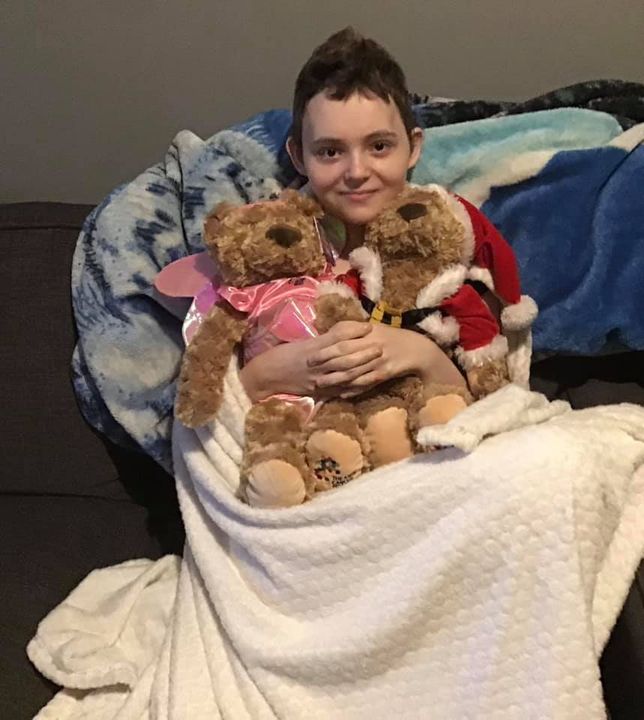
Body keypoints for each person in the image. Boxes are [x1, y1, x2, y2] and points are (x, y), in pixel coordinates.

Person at [240, 27, 468, 412]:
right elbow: (202, 400)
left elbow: (493, 391)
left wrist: (421, 355)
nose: (357, 171)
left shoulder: (450, 234)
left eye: (379, 146)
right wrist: (266, 375)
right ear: (298, 156)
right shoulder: (263, 245)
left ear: (413, 147)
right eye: (330, 152)